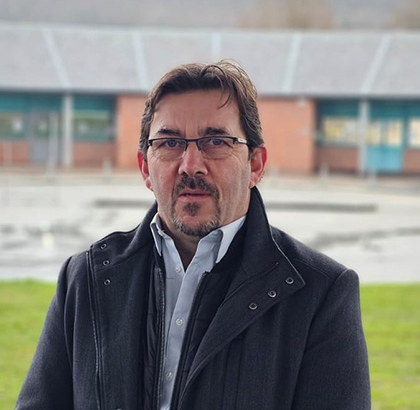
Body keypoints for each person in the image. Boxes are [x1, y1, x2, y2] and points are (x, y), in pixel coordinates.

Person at [16, 60, 370, 410]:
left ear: (255, 164)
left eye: (216, 141)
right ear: (145, 167)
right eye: (170, 143)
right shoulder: (85, 279)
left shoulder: (320, 294)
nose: (191, 165)